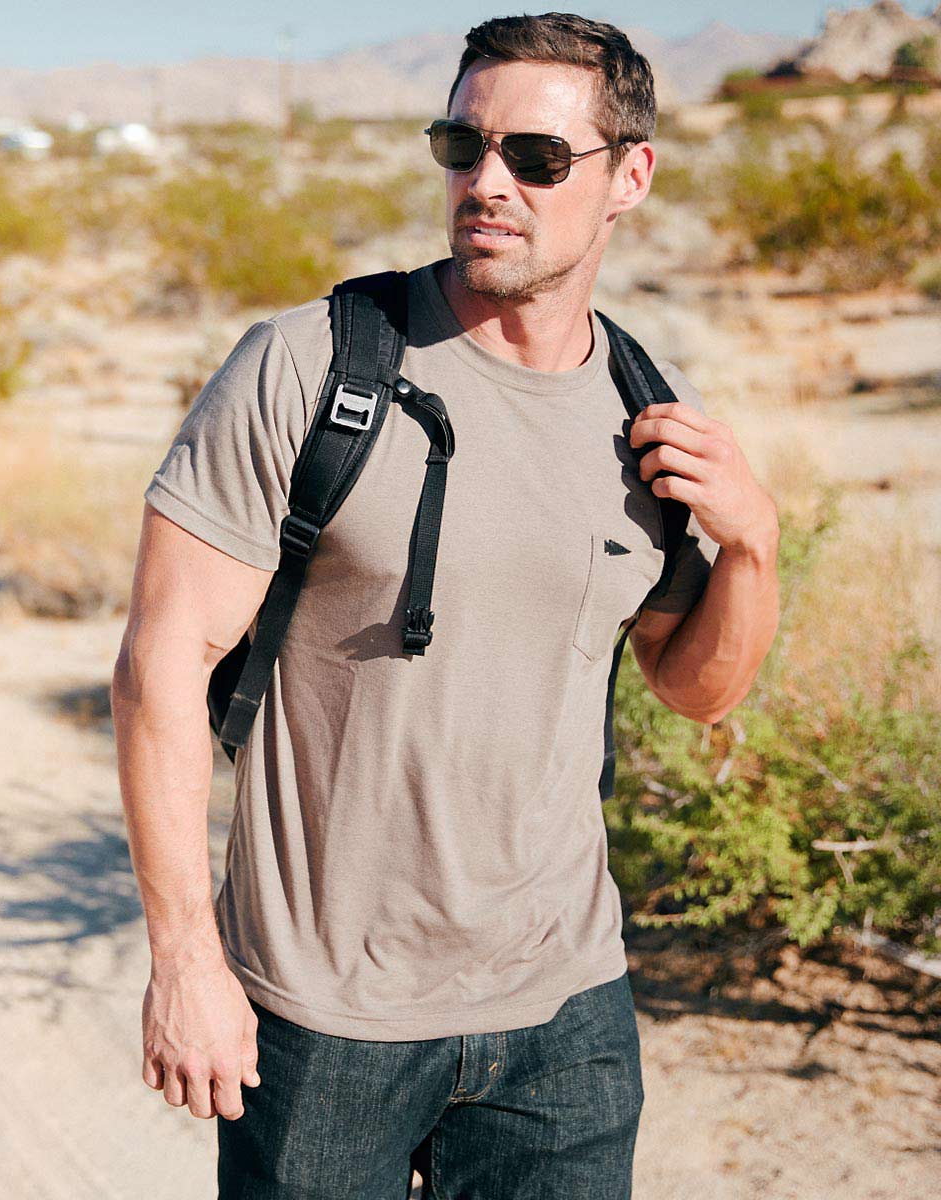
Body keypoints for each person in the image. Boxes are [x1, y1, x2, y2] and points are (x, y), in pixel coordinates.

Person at [111, 11, 780, 1199]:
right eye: (462, 146)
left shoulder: (646, 413)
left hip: (566, 1016)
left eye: (536, 156)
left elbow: (694, 688)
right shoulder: (310, 367)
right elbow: (161, 665)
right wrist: (184, 961)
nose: (487, 183)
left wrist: (754, 548)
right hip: (324, 1017)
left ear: (630, 176)